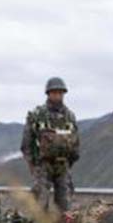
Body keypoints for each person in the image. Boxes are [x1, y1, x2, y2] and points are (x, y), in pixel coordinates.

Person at [21, 77, 81, 212]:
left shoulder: (70, 116)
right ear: (48, 93)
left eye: (60, 93)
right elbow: (26, 144)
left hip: (63, 166)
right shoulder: (37, 115)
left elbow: (76, 143)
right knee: (40, 206)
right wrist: (34, 165)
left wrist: (68, 163)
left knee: (66, 208)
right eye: (54, 92)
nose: (57, 95)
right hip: (43, 166)